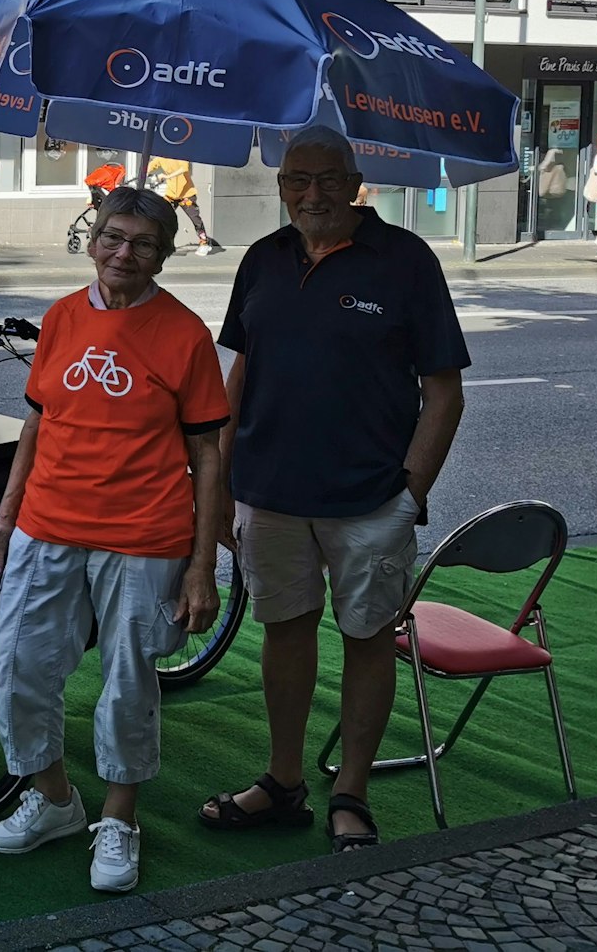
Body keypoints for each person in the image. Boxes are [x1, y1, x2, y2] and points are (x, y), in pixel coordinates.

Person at [199, 125, 468, 853]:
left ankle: (351, 791)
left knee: (366, 639)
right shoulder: (261, 260)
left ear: (356, 182)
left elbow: (444, 391)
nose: (310, 194)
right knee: (284, 633)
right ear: (281, 185)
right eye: (296, 180)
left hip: (370, 499)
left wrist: (411, 492)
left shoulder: (406, 261)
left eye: (325, 179)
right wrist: (221, 482)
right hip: (270, 492)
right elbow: (241, 374)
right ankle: (284, 781)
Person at [0, 186, 227, 893]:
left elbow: (209, 455)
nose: (125, 253)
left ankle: (120, 817)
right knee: (20, 663)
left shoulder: (184, 335)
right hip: (46, 523)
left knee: (127, 682)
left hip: (144, 533)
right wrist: (4, 517)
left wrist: (202, 564)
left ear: (164, 257)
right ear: (93, 239)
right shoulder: (60, 318)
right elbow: (37, 424)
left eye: (144, 244)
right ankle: (55, 799)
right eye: (114, 237)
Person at [145, 156, 221, 255]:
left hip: (186, 194)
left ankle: (204, 243)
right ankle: (159, 243)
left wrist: (167, 176)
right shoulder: (161, 157)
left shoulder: (180, 155)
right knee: (161, 217)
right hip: (171, 194)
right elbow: (150, 166)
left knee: (195, 219)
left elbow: (184, 168)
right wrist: (145, 173)